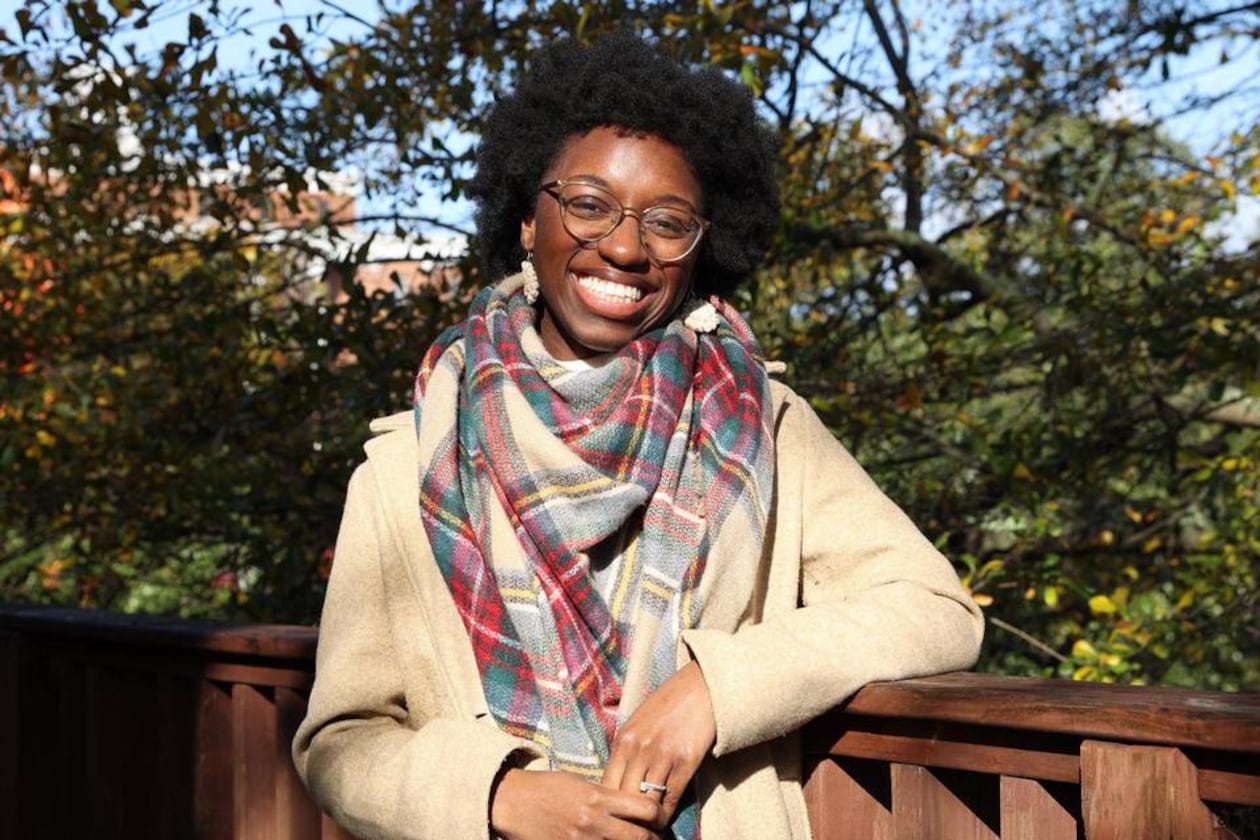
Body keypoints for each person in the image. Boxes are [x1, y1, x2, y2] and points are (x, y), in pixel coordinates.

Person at [293, 31, 983, 840]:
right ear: (525, 219)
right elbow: (341, 742)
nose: (624, 247)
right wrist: (503, 797)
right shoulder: (406, 467)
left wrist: (715, 690)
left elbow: (934, 607)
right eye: (587, 204)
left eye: (667, 221)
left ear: (701, 249)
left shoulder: (759, 421)